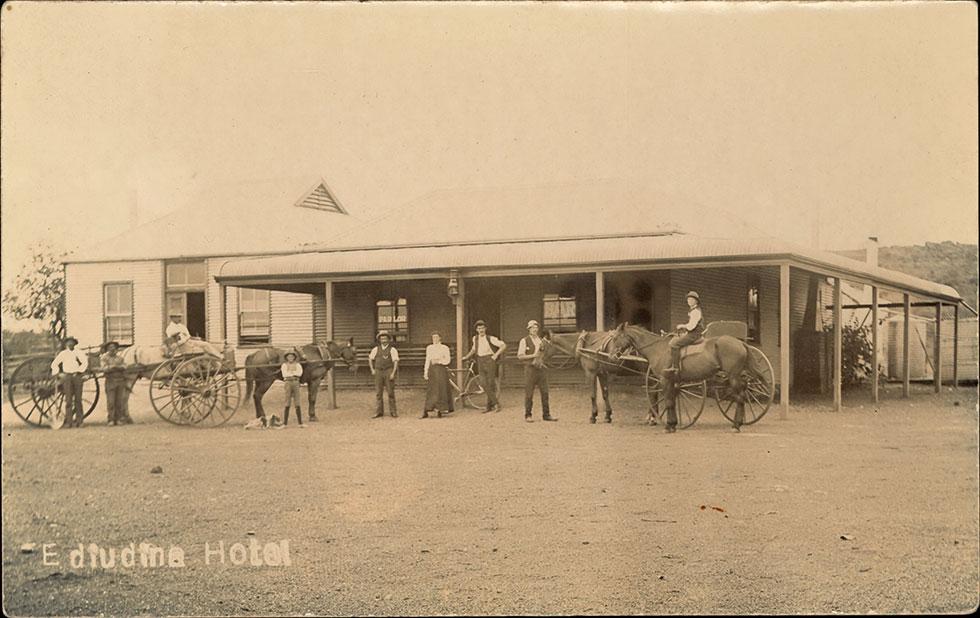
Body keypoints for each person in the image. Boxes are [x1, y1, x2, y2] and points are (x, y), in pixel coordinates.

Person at [461, 320, 506, 413]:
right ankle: (495, 403)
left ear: (485, 329)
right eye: (479, 328)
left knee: (490, 384)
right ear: (476, 330)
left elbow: (503, 345)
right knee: (483, 383)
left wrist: (496, 355)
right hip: (480, 361)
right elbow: (473, 349)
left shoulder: (490, 338)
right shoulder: (475, 338)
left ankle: (490, 406)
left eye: (482, 328)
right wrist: (466, 356)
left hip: (489, 360)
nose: (480, 330)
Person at [517, 320, 556, 422]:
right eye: (532, 328)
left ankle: (546, 415)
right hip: (530, 369)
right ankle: (528, 415)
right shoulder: (524, 341)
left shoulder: (541, 340)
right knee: (529, 393)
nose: (534, 329)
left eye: (536, 327)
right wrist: (533, 356)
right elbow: (520, 356)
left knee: (545, 392)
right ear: (528, 329)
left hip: (541, 369)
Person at [50, 337, 88, 428]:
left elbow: (85, 363)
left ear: (75, 344)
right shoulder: (63, 353)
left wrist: (79, 371)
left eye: (72, 342)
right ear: (66, 344)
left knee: (78, 400)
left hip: (77, 377)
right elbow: (54, 364)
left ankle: (80, 421)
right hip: (67, 377)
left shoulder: (79, 353)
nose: (70, 344)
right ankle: (69, 421)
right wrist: (58, 373)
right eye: (68, 342)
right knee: (68, 400)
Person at [667, 291, 705, 376]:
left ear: (696, 301)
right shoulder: (692, 311)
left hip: (694, 335)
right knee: (675, 338)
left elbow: (691, 326)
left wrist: (682, 326)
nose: (689, 301)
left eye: (692, 299)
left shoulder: (696, 311)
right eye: (688, 299)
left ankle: (676, 368)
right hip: (692, 333)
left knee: (674, 344)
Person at [422, 332, 454, 418]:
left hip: (441, 370)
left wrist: (439, 361)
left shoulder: (444, 348)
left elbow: (448, 360)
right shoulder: (429, 348)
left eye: (436, 337)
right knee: (431, 390)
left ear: (440, 338)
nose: (435, 339)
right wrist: (425, 371)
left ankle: (440, 410)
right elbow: (427, 360)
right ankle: (426, 410)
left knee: (440, 390)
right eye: (433, 337)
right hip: (432, 370)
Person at [100, 341, 132, 426]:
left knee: (119, 401)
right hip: (110, 381)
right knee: (111, 401)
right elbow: (104, 368)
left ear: (116, 349)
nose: (112, 349)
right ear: (107, 349)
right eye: (110, 348)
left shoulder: (120, 358)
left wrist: (115, 367)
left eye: (114, 348)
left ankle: (118, 419)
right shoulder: (104, 358)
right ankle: (111, 419)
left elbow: (125, 366)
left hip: (120, 381)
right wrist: (114, 367)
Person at [369, 330, 399, 418]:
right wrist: (372, 369)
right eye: (382, 338)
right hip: (378, 371)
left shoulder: (392, 349)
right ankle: (379, 412)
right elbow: (370, 359)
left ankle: (393, 412)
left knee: (390, 392)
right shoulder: (375, 349)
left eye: (385, 338)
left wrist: (393, 373)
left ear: (388, 339)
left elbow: (396, 361)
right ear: (380, 340)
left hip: (388, 371)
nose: (383, 340)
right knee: (378, 392)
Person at [280, 351, 306, 427]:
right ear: (286, 358)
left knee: (297, 401)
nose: (290, 358)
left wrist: (292, 373)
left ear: (294, 357)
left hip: (295, 382)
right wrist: (293, 373)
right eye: (289, 357)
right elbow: (284, 374)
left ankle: (300, 423)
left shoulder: (298, 365)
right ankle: (285, 423)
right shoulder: (284, 365)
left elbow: (299, 373)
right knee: (287, 401)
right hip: (288, 383)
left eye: (292, 356)